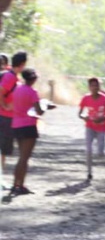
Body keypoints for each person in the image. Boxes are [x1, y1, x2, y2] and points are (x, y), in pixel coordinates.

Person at [9, 68, 55, 196]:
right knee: (24, 158)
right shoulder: (32, 92)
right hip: (28, 125)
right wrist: (47, 106)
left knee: (21, 157)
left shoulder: (17, 89)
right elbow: (39, 111)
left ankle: (16, 184)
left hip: (16, 125)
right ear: (33, 79)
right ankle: (19, 185)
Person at [78, 77, 105, 181]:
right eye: (92, 85)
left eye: (96, 85)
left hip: (102, 127)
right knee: (88, 150)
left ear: (99, 87)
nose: (94, 87)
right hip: (90, 126)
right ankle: (89, 172)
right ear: (89, 87)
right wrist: (84, 117)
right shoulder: (86, 98)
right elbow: (80, 113)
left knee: (100, 154)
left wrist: (104, 118)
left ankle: (102, 150)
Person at [0, 51, 27, 189]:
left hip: (9, 117)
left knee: (3, 150)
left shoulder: (13, 76)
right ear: (22, 64)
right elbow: (1, 91)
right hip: (4, 117)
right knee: (2, 150)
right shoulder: (10, 77)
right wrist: (4, 105)